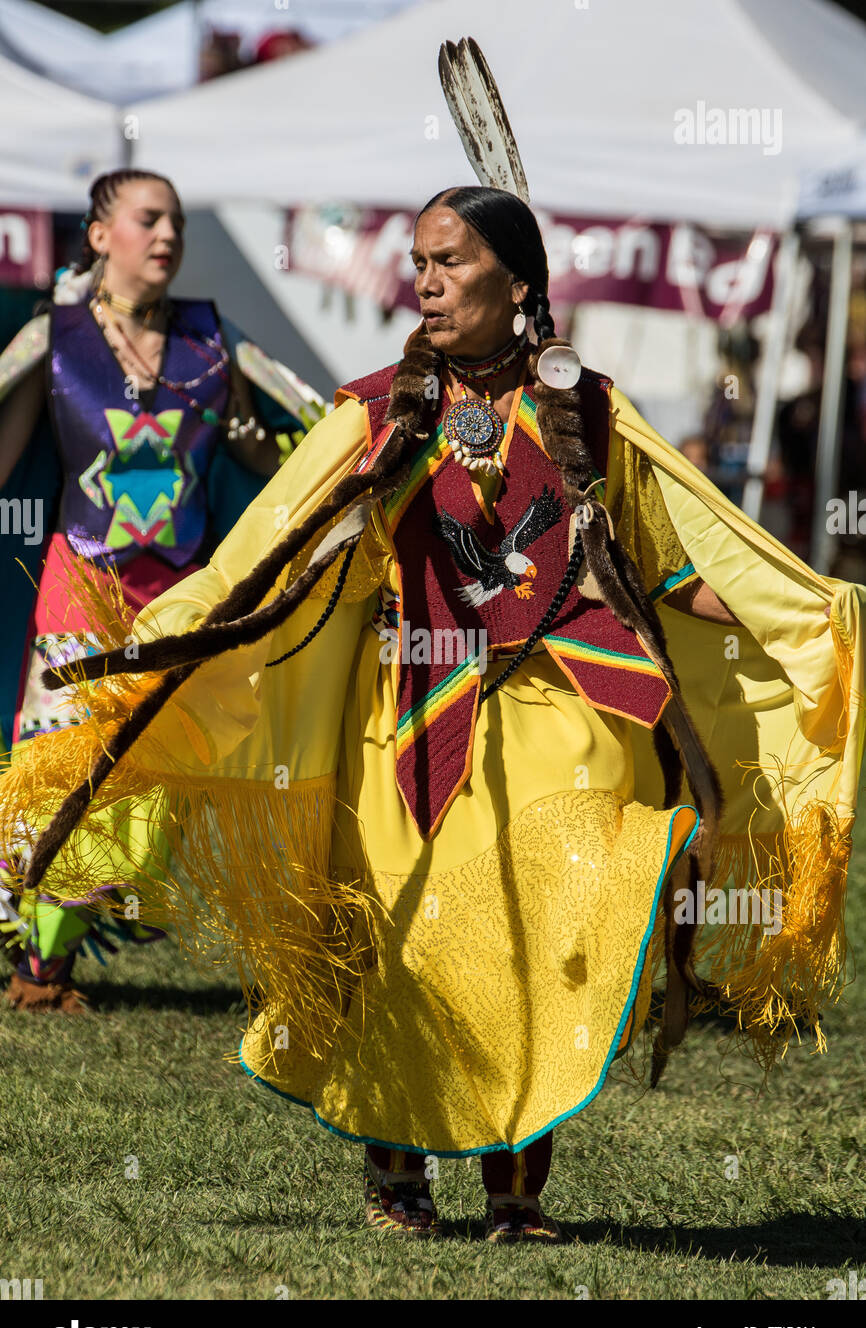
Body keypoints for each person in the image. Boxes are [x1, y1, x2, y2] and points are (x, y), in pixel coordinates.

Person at [1, 186, 861, 1244]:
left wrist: (801, 622)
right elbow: (266, 548)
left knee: (543, 932)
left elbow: (675, 555)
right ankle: (396, 1184)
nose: (427, 280)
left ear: (518, 284)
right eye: (418, 262)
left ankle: (516, 1194)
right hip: (408, 716)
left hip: (559, 708)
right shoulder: (372, 413)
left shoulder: (586, 408)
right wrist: (167, 647)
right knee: (399, 944)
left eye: (452, 262)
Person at [0, 167, 324, 1012]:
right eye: (150, 220)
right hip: (81, 587)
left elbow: (282, 437)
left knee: (145, 791)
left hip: (177, 599)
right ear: (102, 234)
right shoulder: (54, 338)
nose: (169, 236)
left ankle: (48, 960)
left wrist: (262, 445)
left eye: (177, 221)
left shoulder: (213, 341)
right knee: (63, 777)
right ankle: (42, 972)